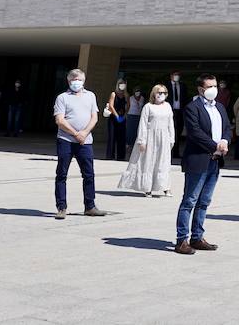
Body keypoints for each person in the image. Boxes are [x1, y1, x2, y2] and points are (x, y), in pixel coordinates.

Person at [175, 74, 230, 253]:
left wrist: (225, 141)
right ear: (200, 89)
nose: (214, 89)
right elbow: (195, 133)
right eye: (210, 86)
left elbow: (227, 128)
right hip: (198, 160)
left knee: (204, 201)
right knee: (190, 200)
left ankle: (197, 237)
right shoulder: (192, 108)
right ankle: (181, 240)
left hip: (215, 161)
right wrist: (215, 145)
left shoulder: (219, 107)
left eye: (215, 86)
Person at [52, 69, 106, 220]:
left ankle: (90, 206)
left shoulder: (91, 96)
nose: (77, 81)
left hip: (86, 141)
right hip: (66, 140)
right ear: (69, 81)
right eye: (73, 79)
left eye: (79, 79)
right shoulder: (62, 98)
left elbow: (94, 117)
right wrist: (76, 134)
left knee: (89, 174)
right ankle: (61, 207)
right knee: (62, 174)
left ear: (84, 80)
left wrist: (84, 133)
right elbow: (60, 120)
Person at [118, 83, 175, 196]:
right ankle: (147, 187)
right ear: (154, 94)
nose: (161, 95)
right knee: (149, 161)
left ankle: (165, 187)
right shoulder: (148, 106)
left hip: (164, 137)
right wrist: (141, 141)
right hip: (150, 137)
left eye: (164, 93)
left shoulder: (167, 106)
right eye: (159, 92)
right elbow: (143, 124)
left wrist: (171, 139)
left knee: (163, 162)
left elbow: (170, 123)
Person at [104, 80, 130, 161]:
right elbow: (111, 106)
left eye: (124, 84)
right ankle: (110, 156)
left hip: (122, 117)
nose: (122, 86)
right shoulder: (113, 94)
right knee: (112, 137)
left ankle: (121, 156)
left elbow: (128, 106)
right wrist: (117, 116)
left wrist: (124, 115)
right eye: (120, 84)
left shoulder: (126, 95)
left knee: (121, 137)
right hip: (113, 117)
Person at [166, 71, 185, 154]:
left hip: (179, 111)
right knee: (170, 130)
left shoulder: (182, 86)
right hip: (169, 110)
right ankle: (168, 151)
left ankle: (176, 152)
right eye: (175, 75)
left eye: (178, 75)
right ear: (171, 76)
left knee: (178, 130)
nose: (177, 76)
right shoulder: (166, 86)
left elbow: (185, 98)